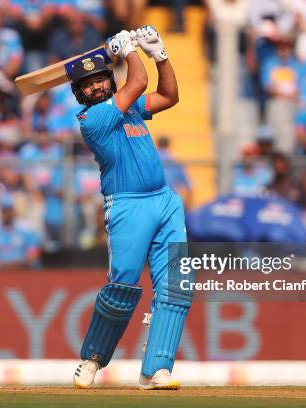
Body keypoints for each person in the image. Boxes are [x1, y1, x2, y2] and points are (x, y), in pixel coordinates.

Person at [70, 26, 191, 390]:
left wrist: (161, 55)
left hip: (165, 201)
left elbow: (169, 95)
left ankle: (156, 369)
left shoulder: (131, 108)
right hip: (126, 206)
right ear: (79, 94)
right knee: (123, 286)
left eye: (99, 80)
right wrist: (128, 52)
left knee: (177, 284)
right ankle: (92, 359)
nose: (95, 87)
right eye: (87, 85)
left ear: (108, 80)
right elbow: (136, 82)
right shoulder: (92, 120)